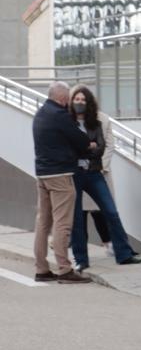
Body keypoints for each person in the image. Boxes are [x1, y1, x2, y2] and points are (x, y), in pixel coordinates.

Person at [68, 86, 141, 270]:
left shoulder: (96, 122)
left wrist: (85, 150)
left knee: (111, 211)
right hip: (75, 174)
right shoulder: (67, 122)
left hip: (94, 172)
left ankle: (123, 254)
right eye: (76, 99)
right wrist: (88, 147)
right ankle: (81, 260)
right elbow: (68, 149)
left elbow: (101, 148)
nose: (79, 102)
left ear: (89, 102)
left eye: (83, 99)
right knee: (76, 217)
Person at [31, 82, 94, 284]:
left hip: (42, 174)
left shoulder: (40, 114)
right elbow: (81, 140)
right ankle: (65, 270)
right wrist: (89, 145)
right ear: (63, 99)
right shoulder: (60, 115)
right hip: (60, 174)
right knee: (62, 223)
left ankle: (41, 269)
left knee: (43, 222)